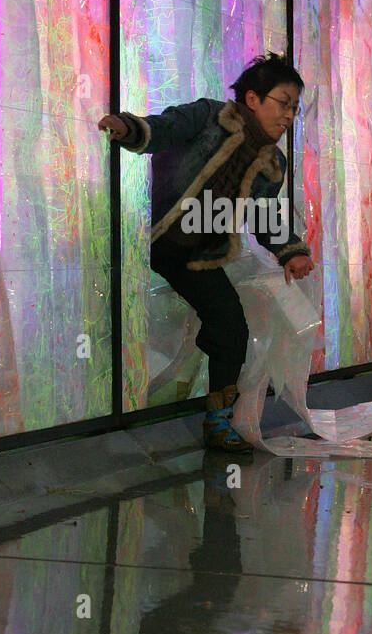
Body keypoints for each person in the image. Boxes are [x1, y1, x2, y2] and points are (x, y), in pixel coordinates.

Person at [98, 53, 315, 453]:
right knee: (225, 322)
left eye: (294, 108)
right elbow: (161, 129)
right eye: (283, 103)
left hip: (207, 253)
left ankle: (218, 418)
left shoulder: (272, 162)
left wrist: (290, 252)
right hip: (168, 241)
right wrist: (128, 127)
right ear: (253, 98)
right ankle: (205, 411)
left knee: (231, 325)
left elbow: (265, 218)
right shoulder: (207, 117)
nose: (288, 116)